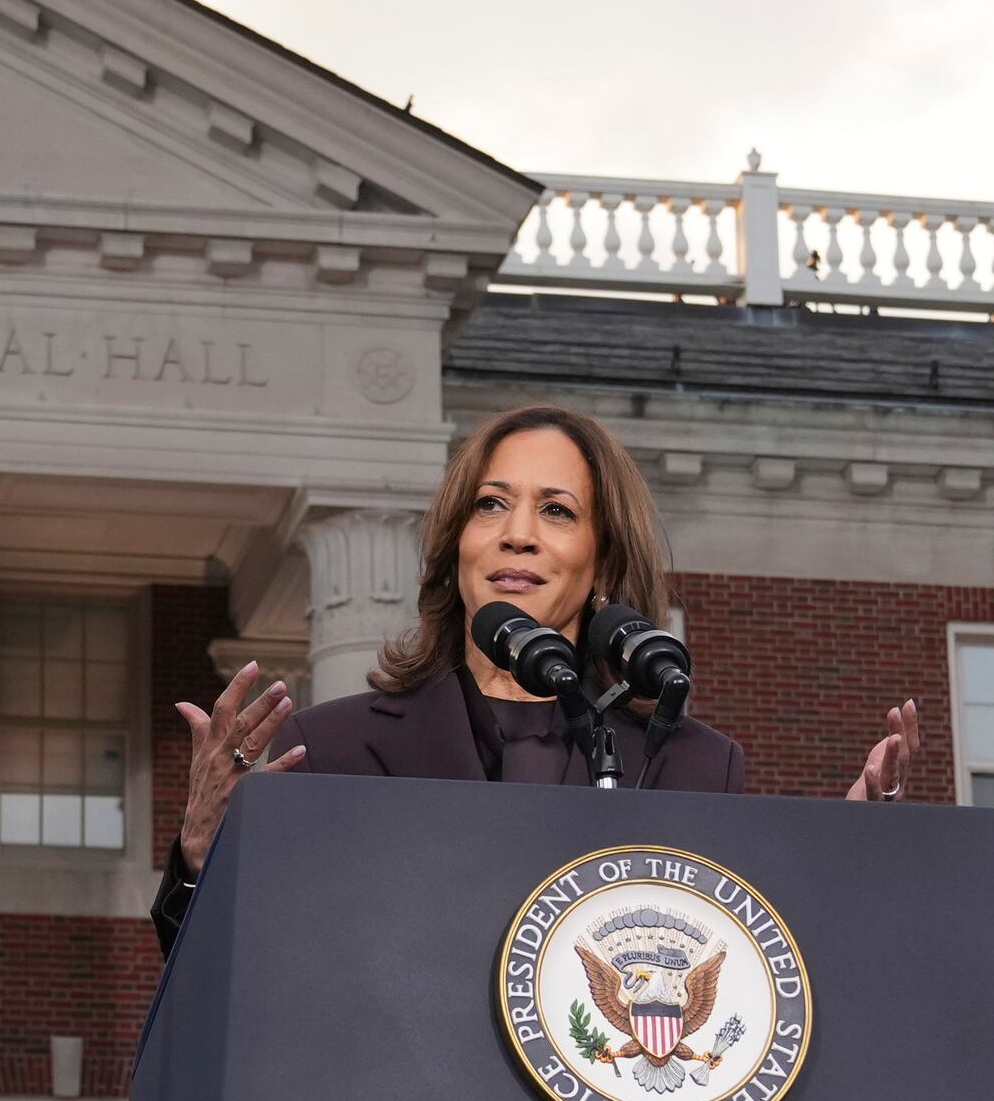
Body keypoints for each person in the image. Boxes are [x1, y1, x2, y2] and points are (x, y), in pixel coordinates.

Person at [149, 404, 922, 946]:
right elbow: (240, 973)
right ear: (457, 549)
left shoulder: (690, 764)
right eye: (491, 506)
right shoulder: (329, 745)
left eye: (555, 511)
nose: (517, 535)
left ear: (604, 559)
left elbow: (742, 976)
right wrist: (199, 857)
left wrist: (844, 855)